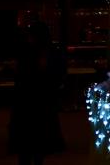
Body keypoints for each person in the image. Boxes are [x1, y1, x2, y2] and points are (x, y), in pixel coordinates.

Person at [9, 21, 65, 165]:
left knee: (28, 147)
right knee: (37, 146)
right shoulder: (47, 52)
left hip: (30, 103)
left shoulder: (29, 52)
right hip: (40, 103)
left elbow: (20, 76)